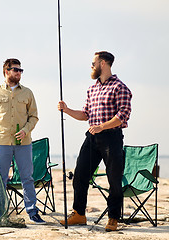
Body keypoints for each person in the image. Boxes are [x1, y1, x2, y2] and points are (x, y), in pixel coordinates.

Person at [58, 51, 132, 231]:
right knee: (80, 175)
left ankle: (113, 217)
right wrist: (67, 110)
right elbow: (85, 115)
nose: (91, 66)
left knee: (114, 179)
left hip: (111, 138)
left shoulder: (120, 88)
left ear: (104, 63)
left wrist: (102, 126)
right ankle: (79, 214)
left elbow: (122, 116)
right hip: (92, 138)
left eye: (94, 62)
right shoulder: (92, 89)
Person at [0, 58, 45, 224]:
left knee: (27, 178)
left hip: (23, 144)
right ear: (6, 71)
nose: (19, 73)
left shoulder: (27, 93)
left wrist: (26, 130)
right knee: (0, 179)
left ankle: (32, 212)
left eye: (20, 70)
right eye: (16, 70)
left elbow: (34, 116)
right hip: (2, 143)